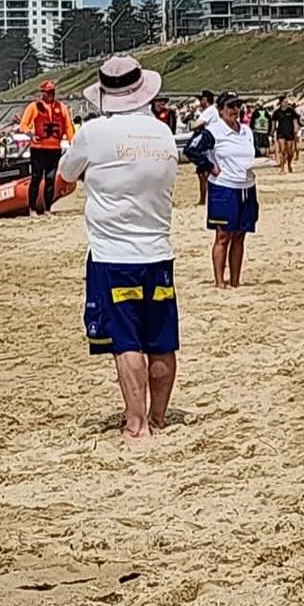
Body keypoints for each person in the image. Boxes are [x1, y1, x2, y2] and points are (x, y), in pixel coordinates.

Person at [58, 56, 181, 440]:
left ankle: (136, 422)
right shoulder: (162, 133)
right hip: (158, 249)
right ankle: (158, 416)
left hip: (113, 254)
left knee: (126, 341)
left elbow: (64, 178)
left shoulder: (94, 133)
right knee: (161, 341)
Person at [205, 92, 259, 287]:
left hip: (246, 185)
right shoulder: (213, 131)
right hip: (224, 186)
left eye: (237, 106)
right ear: (221, 110)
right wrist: (210, 166)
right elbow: (192, 150)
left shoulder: (246, 131)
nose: (234, 110)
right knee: (223, 235)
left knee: (240, 234)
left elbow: (252, 155)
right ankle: (219, 281)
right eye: (230, 106)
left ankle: (235, 280)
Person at [19, 79, 75, 214]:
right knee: (36, 177)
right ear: (42, 93)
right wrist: (31, 135)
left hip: (55, 149)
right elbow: (23, 125)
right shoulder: (34, 107)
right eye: (49, 92)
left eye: (53, 92)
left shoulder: (62, 108)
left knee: (50, 179)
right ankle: (32, 208)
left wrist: (73, 143)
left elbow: (68, 126)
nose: (51, 94)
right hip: (38, 148)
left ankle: (47, 209)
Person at [192, 90, 219, 204]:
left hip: (209, 143)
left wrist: (192, 123)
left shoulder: (209, 111)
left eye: (201, 99)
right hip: (212, 142)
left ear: (205, 100)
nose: (199, 102)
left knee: (203, 172)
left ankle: (204, 199)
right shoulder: (213, 111)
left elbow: (195, 125)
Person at [272, 95, 300, 173]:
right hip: (281, 133)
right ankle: (282, 167)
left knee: (290, 152)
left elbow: (295, 122)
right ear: (281, 103)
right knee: (282, 150)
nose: (286, 103)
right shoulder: (276, 112)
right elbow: (273, 124)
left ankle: (289, 165)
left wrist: (296, 129)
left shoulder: (291, 111)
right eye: (285, 102)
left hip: (290, 132)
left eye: (287, 102)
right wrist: (271, 133)